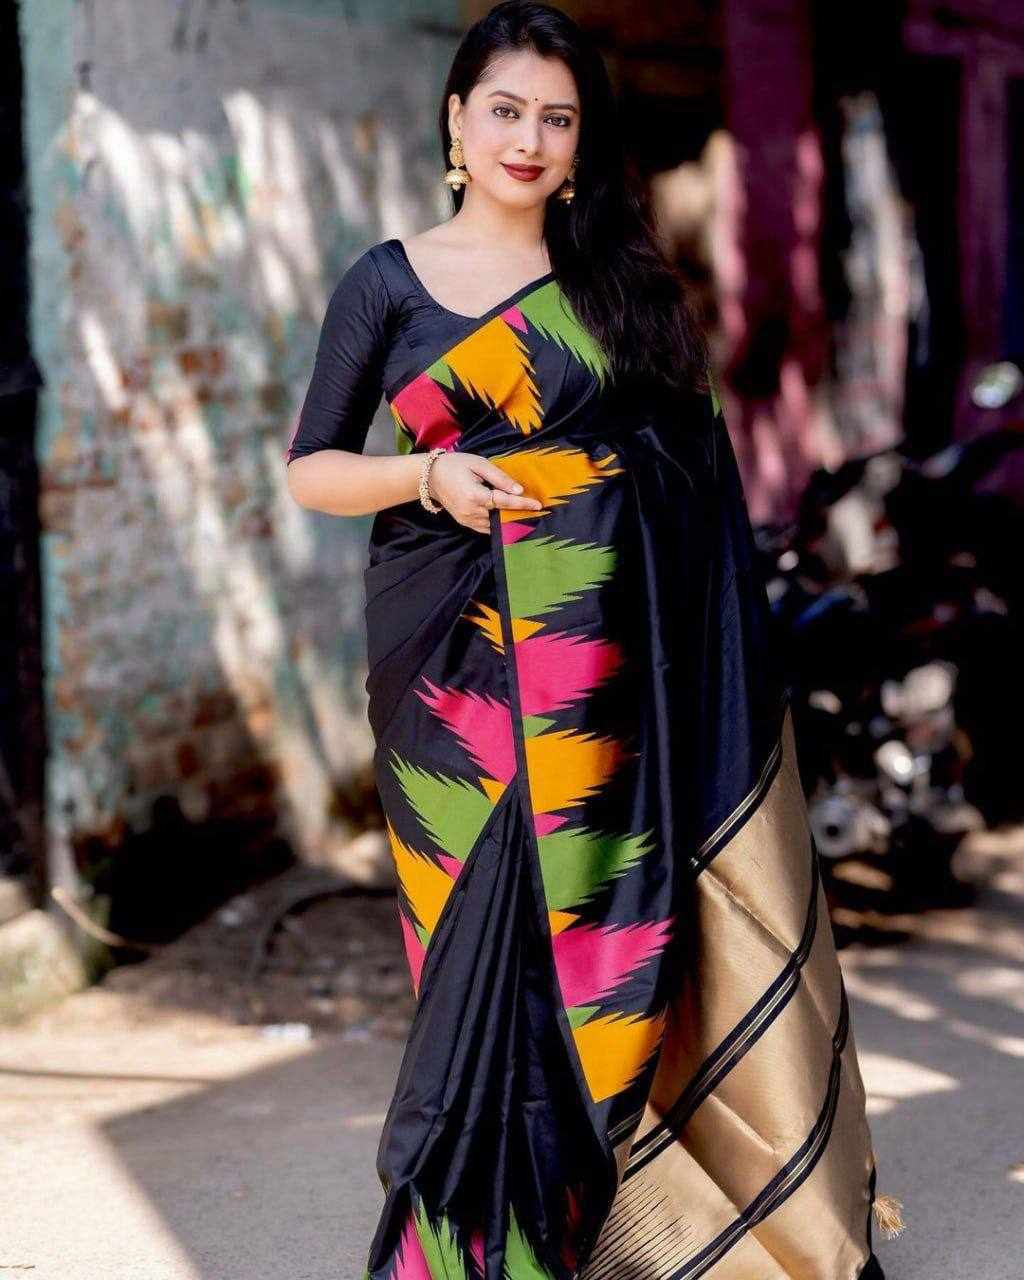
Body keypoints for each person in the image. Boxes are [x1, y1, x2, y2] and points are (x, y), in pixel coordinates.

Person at [285, 4, 904, 1277]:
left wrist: (597, 491)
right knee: (469, 969)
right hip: (445, 682)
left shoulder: (620, 294)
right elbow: (313, 468)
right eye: (505, 109)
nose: (527, 137)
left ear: (579, 145)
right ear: (457, 121)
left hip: (597, 677)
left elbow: (691, 483)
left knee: (597, 955)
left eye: (556, 118)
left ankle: (591, 1226)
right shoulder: (386, 281)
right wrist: (428, 476)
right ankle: (464, 1247)